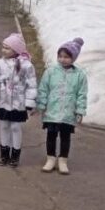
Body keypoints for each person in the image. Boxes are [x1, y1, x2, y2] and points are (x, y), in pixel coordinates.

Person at [38, 37, 88, 175]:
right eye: (60, 56)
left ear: (73, 58)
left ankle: (63, 160)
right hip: (52, 111)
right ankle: (50, 158)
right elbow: (43, 89)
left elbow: (82, 94)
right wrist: (42, 105)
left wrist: (80, 111)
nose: (62, 59)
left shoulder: (79, 75)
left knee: (65, 137)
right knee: (51, 136)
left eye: (66, 57)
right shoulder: (51, 72)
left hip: (68, 113)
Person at [0, 33, 38, 167]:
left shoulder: (26, 65)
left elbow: (31, 85)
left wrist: (29, 102)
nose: (3, 50)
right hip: (3, 101)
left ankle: (15, 155)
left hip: (18, 102)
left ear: (16, 50)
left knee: (15, 127)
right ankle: (4, 154)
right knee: (4, 126)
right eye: (3, 47)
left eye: (7, 48)